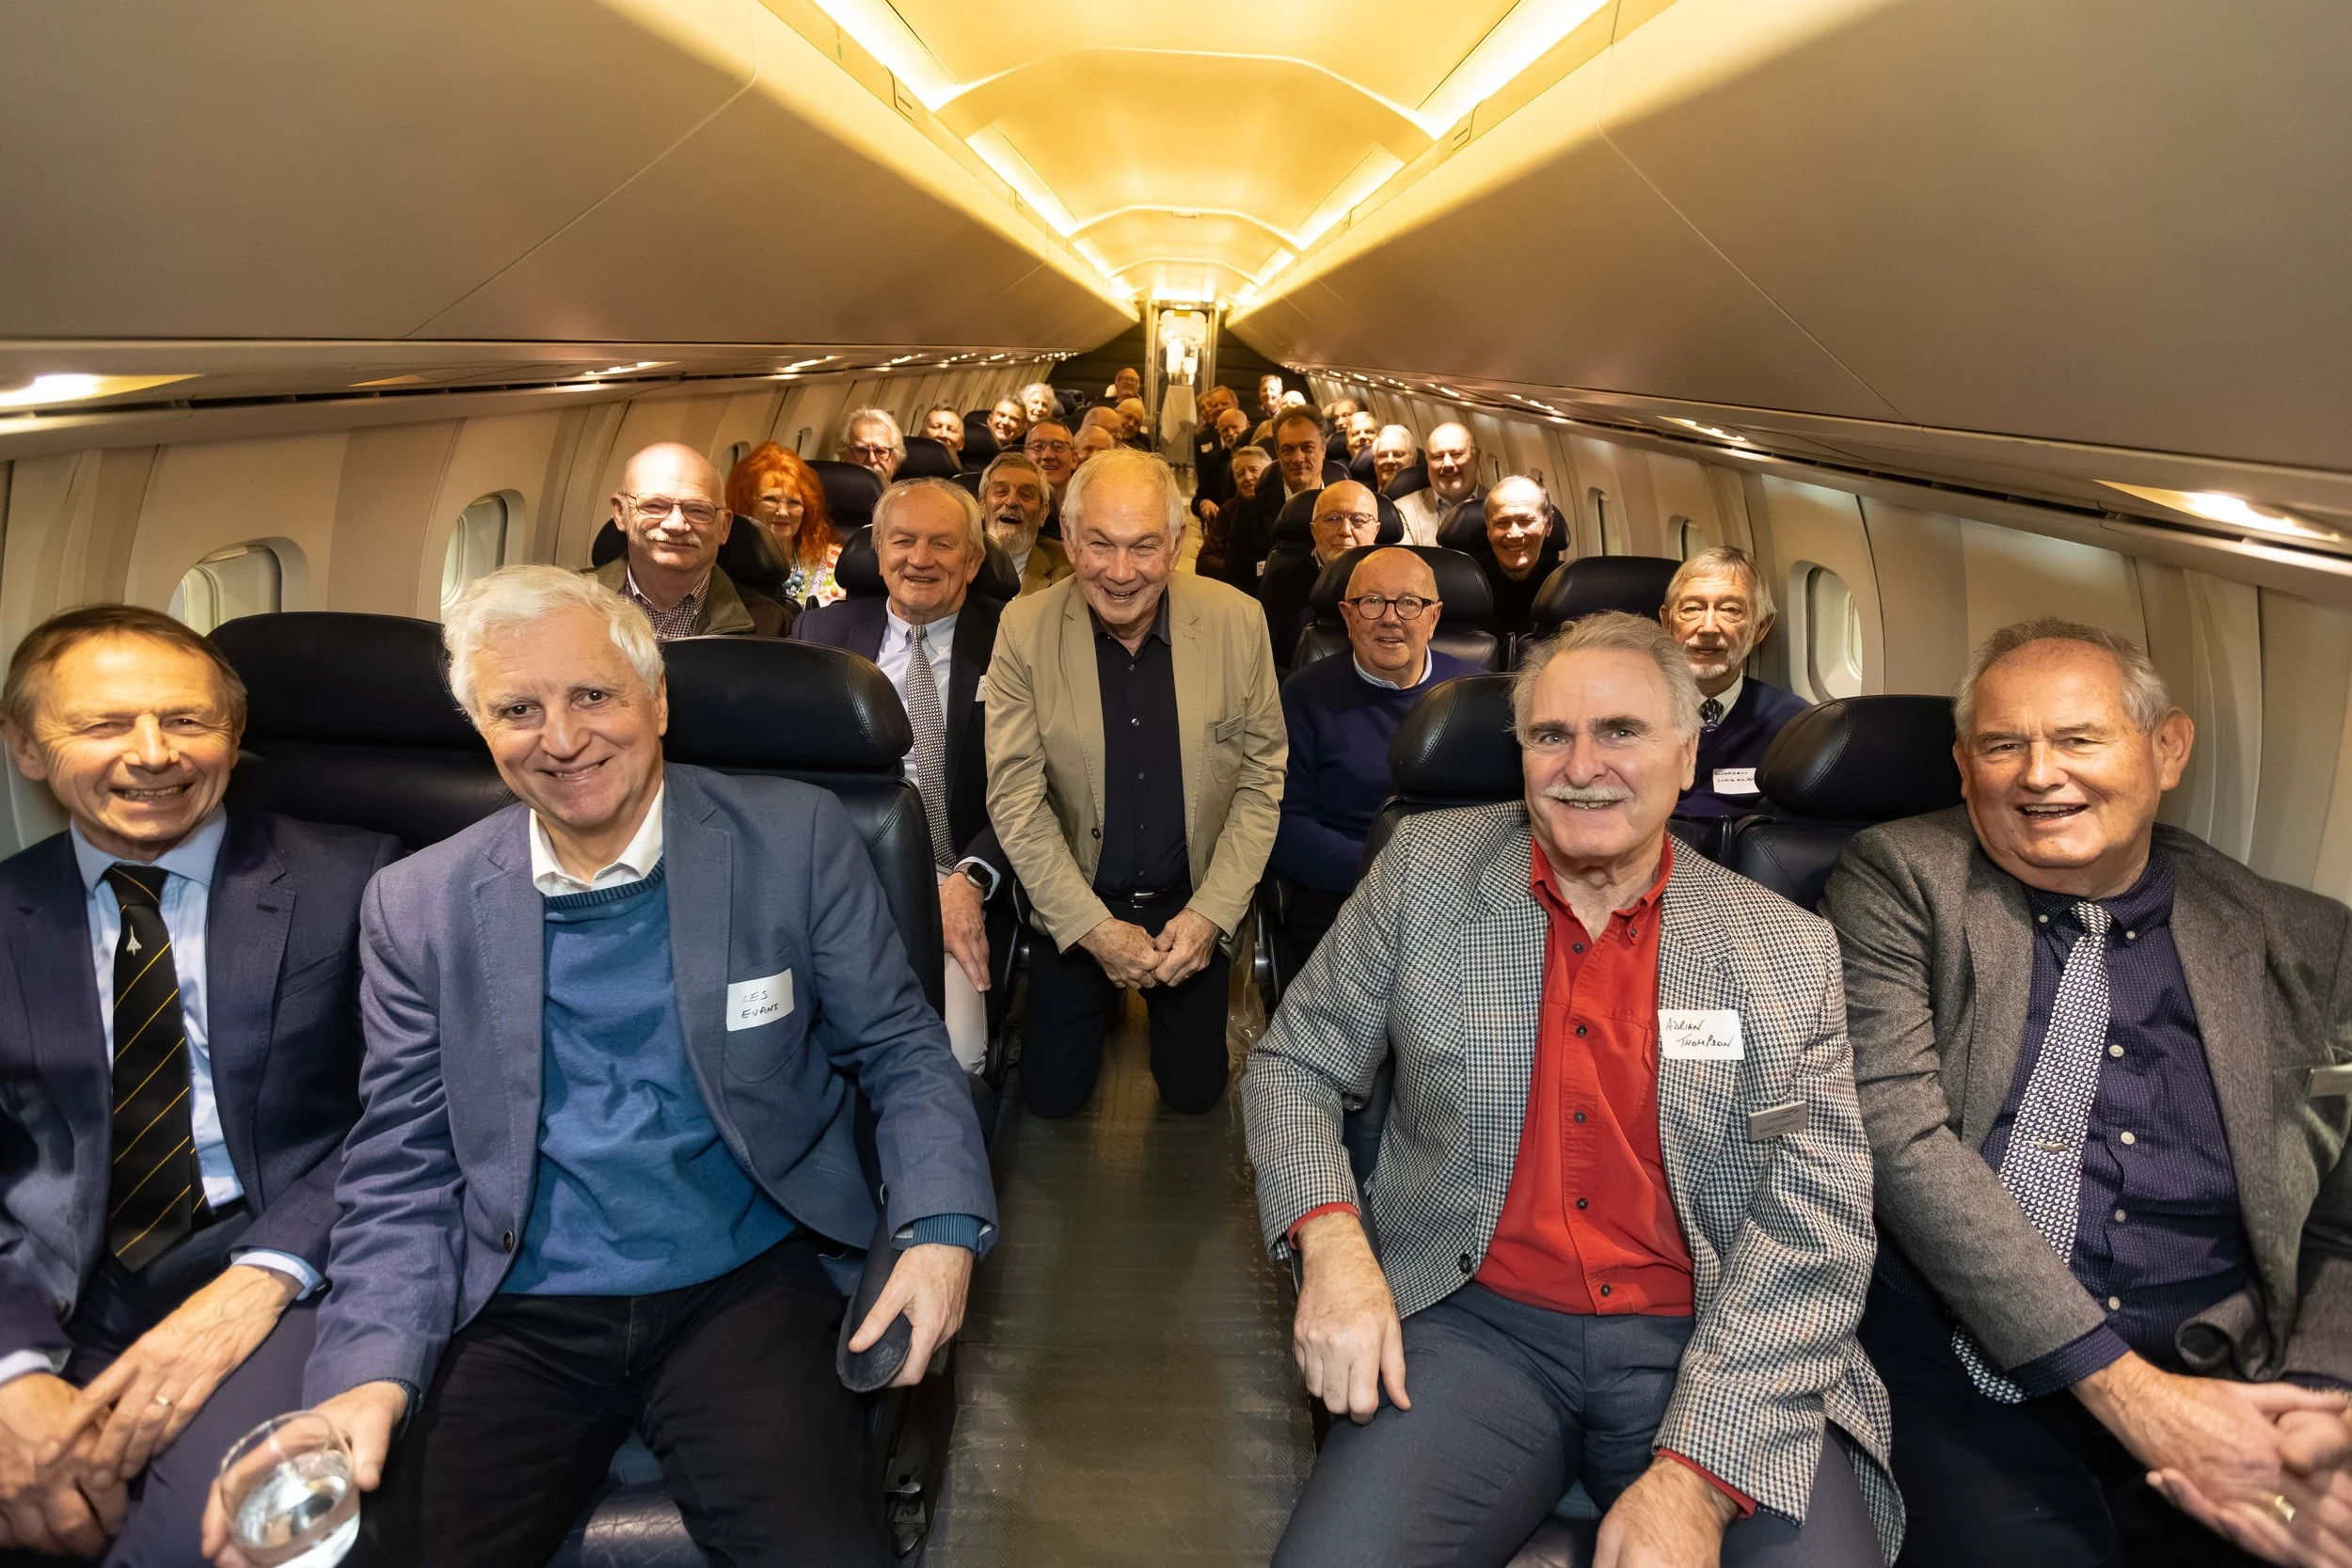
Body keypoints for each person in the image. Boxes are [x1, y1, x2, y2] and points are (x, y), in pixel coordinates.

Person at [220, 568, 995, 1568]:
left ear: (656, 699)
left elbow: (899, 1047)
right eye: (517, 709)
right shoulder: (418, 902)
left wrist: (938, 1229)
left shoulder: (794, 839)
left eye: (592, 694)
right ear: (480, 728)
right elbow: (401, 1167)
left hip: (745, 1278)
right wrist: (368, 1370)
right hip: (518, 1301)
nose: (563, 736)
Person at [1247, 610, 1899, 1568]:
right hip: (1477, 1327)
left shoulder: (1781, 946)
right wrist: (1334, 1239)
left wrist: (1695, 1475)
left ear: (1686, 754)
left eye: (1620, 731)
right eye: (1551, 734)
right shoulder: (1425, 875)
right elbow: (1294, 1063)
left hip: (1711, 1335)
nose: (1579, 764)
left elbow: (1820, 1215)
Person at [1823, 618, 2352, 1568]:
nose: (2037, 773)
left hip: (2223, 1352)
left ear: (2167, 748)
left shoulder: (2306, 941)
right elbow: (1903, 1144)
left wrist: (2313, 1400)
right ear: (1961, 763)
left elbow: (2342, 1219)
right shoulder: (1903, 880)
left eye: (2077, 738)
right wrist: (2134, 1399)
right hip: (1961, 1358)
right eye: (2001, 744)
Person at [0, 606, 397, 1568]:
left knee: (210, 1541)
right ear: (26, 748)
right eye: (102, 725)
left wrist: (264, 1275)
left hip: (287, 1261)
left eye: (186, 719)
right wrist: (11, 1369)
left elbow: (413, 1110)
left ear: (236, 731)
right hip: (51, 1285)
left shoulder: (368, 878)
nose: (153, 754)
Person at [984, 449, 1284, 1120]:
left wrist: (1211, 915)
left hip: (1191, 902)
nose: (1120, 573)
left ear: (1178, 544)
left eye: (1144, 547)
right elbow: (1016, 799)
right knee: (1050, 1101)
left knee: (1194, 1096)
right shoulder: (1024, 630)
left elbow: (1262, 782)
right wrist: (1092, 929)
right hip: (1078, 899)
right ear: (1068, 534)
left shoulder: (1239, 622)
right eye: (1100, 544)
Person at [795, 481, 1010, 1073]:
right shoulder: (820, 636)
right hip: (840, 870)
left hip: (957, 874)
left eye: (943, 543)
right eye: (903, 541)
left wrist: (970, 878)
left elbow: (1037, 787)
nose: (920, 559)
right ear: (877, 551)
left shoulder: (1017, 640)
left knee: (955, 1055)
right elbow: (796, 774)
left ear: (973, 561)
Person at [1269, 547, 1476, 971]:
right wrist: (1389, 874)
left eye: (1408, 603)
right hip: (1344, 894)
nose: (1390, 618)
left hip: (1457, 895)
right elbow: (1287, 826)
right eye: (1372, 601)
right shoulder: (1305, 695)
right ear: (1347, 615)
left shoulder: (1476, 695)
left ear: (1433, 617)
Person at [1661, 547, 1805, 826]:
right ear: (1667, 621)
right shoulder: (1624, 708)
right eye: (1692, 609)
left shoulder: (1794, 724)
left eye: (1730, 610)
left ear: (1760, 628)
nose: (1708, 627)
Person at [591, 441, 790, 639]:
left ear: (724, 527)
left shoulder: (773, 626)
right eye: (654, 506)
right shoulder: (566, 601)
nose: (676, 525)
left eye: (697, 510)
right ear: (620, 513)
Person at [1259, 481, 1381, 669]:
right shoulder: (1281, 581)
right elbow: (1268, 661)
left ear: (1376, 530)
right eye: (1332, 519)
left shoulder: (1398, 580)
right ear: (1314, 530)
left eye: (1359, 520)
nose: (1345, 531)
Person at [1222, 407, 1345, 593]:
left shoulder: (1348, 512)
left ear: (1323, 451)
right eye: (1288, 450)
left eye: (1307, 448)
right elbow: (1232, 585)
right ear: (1278, 455)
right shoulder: (1250, 513)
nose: (1297, 458)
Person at [726, 441, 843, 610]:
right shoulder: (724, 563)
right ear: (746, 504)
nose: (783, 512)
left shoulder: (836, 563)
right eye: (770, 500)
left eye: (794, 503)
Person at [1467, 474, 1565, 638]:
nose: (1514, 534)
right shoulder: (1464, 587)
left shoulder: (1567, 588)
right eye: (1502, 522)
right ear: (1488, 529)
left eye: (1526, 520)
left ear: (1549, 524)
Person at [977, 452, 1071, 595]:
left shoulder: (1069, 569)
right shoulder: (955, 560)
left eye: (1026, 495)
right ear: (982, 505)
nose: (1011, 502)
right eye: (1001, 492)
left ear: (1042, 513)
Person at [1394, 422, 1483, 547]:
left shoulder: (1499, 509)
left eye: (1456, 454)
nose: (1447, 464)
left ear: (1477, 457)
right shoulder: (1403, 512)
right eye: (1438, 457)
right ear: (1427, 462)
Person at [840, 407, 905, 483]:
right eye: (861, 450)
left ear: (895, 460)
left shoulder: (908, 495)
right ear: (843, 455)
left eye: (880, 451)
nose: (872, 459)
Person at [1372, 424, 1417, 495]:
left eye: (1398, 454)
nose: (1390, 460)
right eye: (1383, 455)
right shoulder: (1361, 496)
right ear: (1375, 462)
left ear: (1413, 460)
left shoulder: (1427, 497)